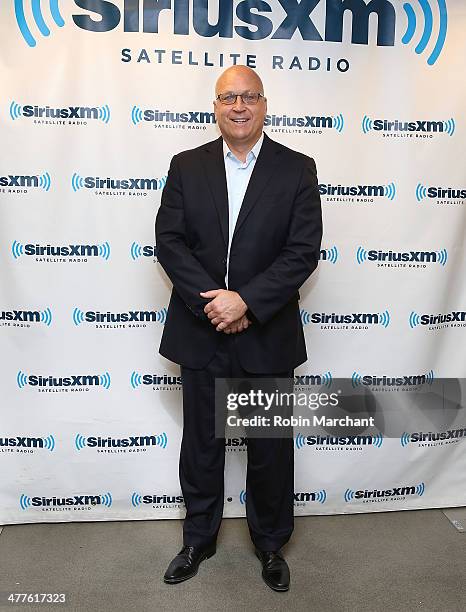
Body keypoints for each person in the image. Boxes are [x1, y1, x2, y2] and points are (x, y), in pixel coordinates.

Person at [155, 65, 322, 592]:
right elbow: (170, 242)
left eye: (249, 96)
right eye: (229, 97)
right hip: (202, 328)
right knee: (201, 444)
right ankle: (197, 539)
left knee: (270, 446)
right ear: (216, 106)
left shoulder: (297, 169)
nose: (240, 106)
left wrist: (246, 301)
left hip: (266, 334)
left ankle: (271, 544)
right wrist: (215, 304)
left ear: (265, 104)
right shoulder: (187, 165)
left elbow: (302, 252)